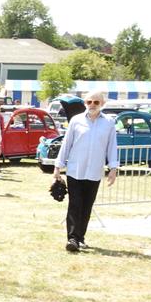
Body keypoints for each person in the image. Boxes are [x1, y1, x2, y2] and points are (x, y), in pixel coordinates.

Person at [53, 91, 118, 252]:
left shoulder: (109, 123)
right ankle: (72, 239)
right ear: (85, 103)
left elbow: (112, 146)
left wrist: (113, 168)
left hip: (94, 171)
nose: (92, 105)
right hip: (75, 170)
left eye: (96, 102)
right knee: (75, 204)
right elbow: (66, 144)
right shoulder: (76, 120)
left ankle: (80, 237)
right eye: (89, 102)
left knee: (87, 205)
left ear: (102, 104)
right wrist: (57, 167)